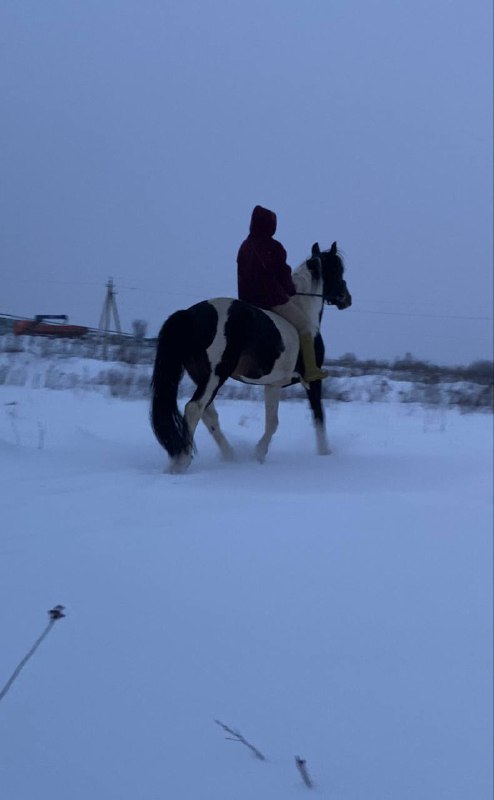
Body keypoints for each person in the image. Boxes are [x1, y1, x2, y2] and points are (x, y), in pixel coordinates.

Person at [237, 205, 328, 382]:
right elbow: (283, 275)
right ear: (269, 225)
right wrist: (291, 290)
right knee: (305, 325)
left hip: (247, 300)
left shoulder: (245, 246)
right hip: (271, 299)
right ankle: (310, 370)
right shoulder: (273, 247)